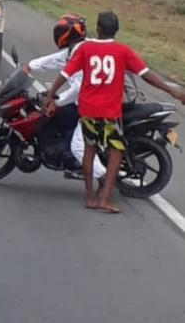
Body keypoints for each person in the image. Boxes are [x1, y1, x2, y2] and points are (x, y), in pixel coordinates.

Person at [44, 11, 185, 214]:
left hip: (88, 109)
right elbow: (146, 75)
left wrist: (50, 95)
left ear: (98, 29)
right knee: (116, 151)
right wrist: (172, 91)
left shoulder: (86, 49)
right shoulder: (122, 51)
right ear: (116, 30)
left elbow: (65, 74)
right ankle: (105, 199)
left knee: (89, 150)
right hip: (109, 111)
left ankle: (90, 197)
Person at [23, 14, 107, 181]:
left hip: (93, 103)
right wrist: (30, 67)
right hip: (89, 99)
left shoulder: (81, 51)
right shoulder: (76, 49)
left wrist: (57, 100)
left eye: (60, 31)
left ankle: (104, 180)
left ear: (67, 34)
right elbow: (56, 60)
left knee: (78, 146)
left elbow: (79, 87)